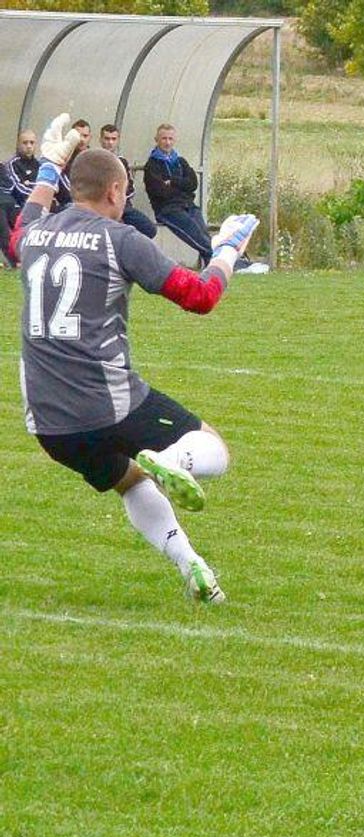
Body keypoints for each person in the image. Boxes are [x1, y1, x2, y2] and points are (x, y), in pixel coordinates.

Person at [12, 113, 259, 604]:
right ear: (114, 192)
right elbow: (201, 296)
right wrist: (228, 248)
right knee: (213, 449)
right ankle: (174, 459)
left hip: (49, 423)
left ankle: (194, 570)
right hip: (108, 401)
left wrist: (49, 166)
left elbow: (24, 224)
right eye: (124, 194)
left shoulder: (32, 237)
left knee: (130, 480)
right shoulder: (120, 238)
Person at [144, 122, 212, 268]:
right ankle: (215, 258)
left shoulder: (180, 161)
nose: (167, 142)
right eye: (164, 139)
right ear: (157, 140)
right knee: (193, 231)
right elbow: (159, 192)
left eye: (170, 139)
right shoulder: (152, 165)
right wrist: (181, 186)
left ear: (174, 140)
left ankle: (211, 260)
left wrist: (172, 181)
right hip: (167, 209)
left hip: (188, 205)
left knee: (202, 231)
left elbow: (193, 184)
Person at [99, 123, 157, 238]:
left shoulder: (122, 162)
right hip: (103, 207)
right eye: (107, 139)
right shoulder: (94, 160)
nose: (110, 142)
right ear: (100, 140)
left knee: (149, 229)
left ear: (118, 140)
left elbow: (130, 188)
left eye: (113, 139)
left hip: (123, 206)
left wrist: (120, 202)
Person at [1, 130, 40, 264]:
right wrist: (38, 192)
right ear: (18, 144)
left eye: (32, 143)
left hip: (36, 206)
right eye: (25, 143)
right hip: (18, 207)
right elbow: (18, 188)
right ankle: (16, 260)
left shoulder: (39, 164)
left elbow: (49, 187)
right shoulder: (12, 164)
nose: (29, 146)